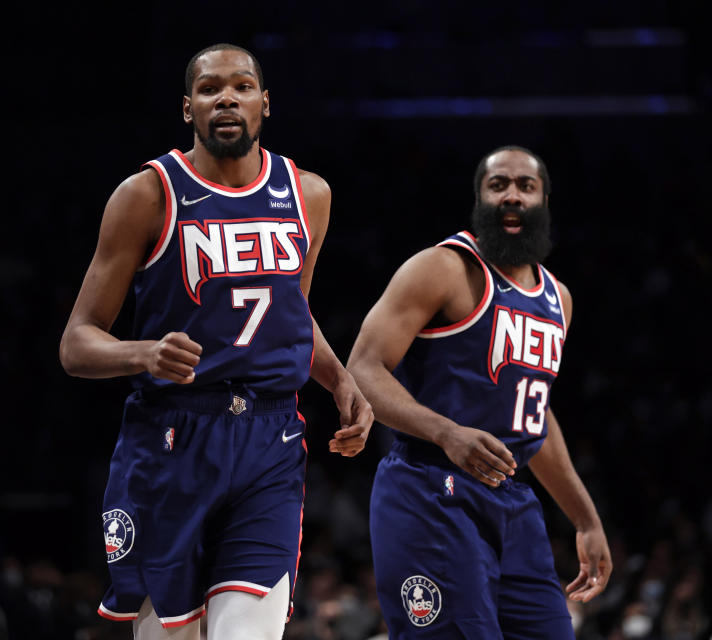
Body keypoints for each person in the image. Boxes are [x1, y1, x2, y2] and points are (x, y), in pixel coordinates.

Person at [59, 43, 373, 640]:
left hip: (270, 440)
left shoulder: (308, 194)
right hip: (172, 439)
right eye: (209, 89)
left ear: (264, 103)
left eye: (242, 86)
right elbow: (76, 344)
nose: (226, 97)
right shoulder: (147, 195)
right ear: (188, 108)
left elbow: (291, 312)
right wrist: (142, 352)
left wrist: (339, 379)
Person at [347, 146, 612, 638]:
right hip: (429, 489)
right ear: (479, 199)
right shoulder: (443, 268)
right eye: (498, 185)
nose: (511, 196)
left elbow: (534, 415)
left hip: (512, 503)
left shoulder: (559, 299)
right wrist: (446, 433)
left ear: (544, 201)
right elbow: (362, 367)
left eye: (524, 186)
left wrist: (585, 518)